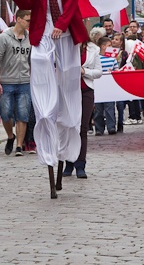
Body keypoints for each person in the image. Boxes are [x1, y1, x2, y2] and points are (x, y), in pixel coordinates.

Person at [8, 0, 88, 197]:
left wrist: (62, 25)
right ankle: (44, 113)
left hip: (66, 31)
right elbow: (30, 3)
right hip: (43, 32)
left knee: (68, 82)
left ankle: (67, 135)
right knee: (42, 73)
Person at [63, 27, 105, 179]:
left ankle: (80, 164)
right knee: (69, 126)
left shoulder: (93, 49)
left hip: (86, 90)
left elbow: (99, 72)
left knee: (82, 127)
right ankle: (68, 161)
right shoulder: (65, 47)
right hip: (69, 91)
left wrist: (84, 71)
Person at [0, 10, 33, 156]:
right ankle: (10, 136)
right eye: (27, 20)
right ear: (19, 19)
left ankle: (19, 146)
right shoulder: (4, 37)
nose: (30, 23)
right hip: (7, 81)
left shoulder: (30, 38)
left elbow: (32, 60)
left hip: (25, 82)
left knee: (23, 114)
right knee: (5, 113)